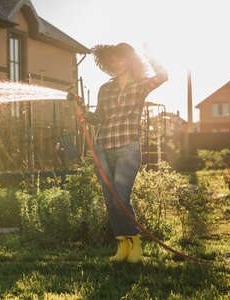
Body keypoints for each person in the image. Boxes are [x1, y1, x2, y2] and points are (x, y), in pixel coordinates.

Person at [79, 43, 168, 262]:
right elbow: (98, 118)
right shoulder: (105, 89)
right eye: (114, 59)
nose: (117, 63)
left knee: (120, 196)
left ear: (130, 60)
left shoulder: (140, 85)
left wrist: (150, 54)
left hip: (128, 148)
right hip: (103, 148)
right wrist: (82, 109)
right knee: (110, 200)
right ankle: (123, 247)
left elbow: (164, 75)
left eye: (122, 58)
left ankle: (135, 245)